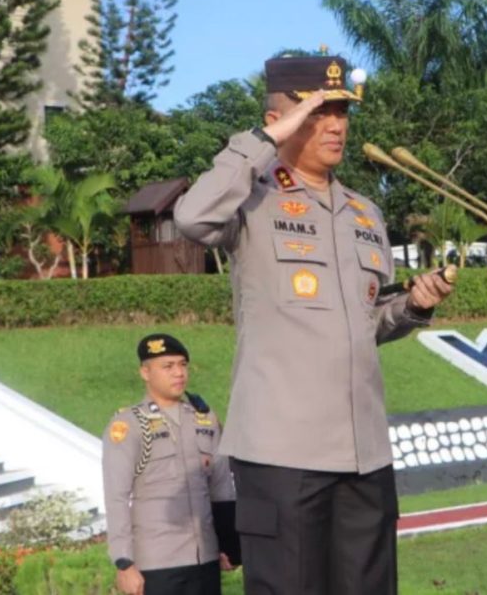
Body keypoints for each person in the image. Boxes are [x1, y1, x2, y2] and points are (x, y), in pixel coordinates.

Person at [174, 54, 453, 594]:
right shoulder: (251, 200)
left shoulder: (365, 213)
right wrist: (265, 137)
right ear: (283, 118)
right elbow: (190, 216)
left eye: (342, 112)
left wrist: (414, 307)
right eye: (318, 113)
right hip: (283, 456)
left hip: (364, 456)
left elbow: (365, 324)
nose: (336, 125)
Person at [102, 333, 238, 595]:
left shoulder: (204, 419)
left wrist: (227, 544)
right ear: (145, 372)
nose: (179, 373)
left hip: (205, 558)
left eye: (182, 365)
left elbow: (221, 488)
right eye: (168, 366)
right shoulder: (129, 425)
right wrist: (124, 562)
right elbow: (116, 497)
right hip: (157, 562)